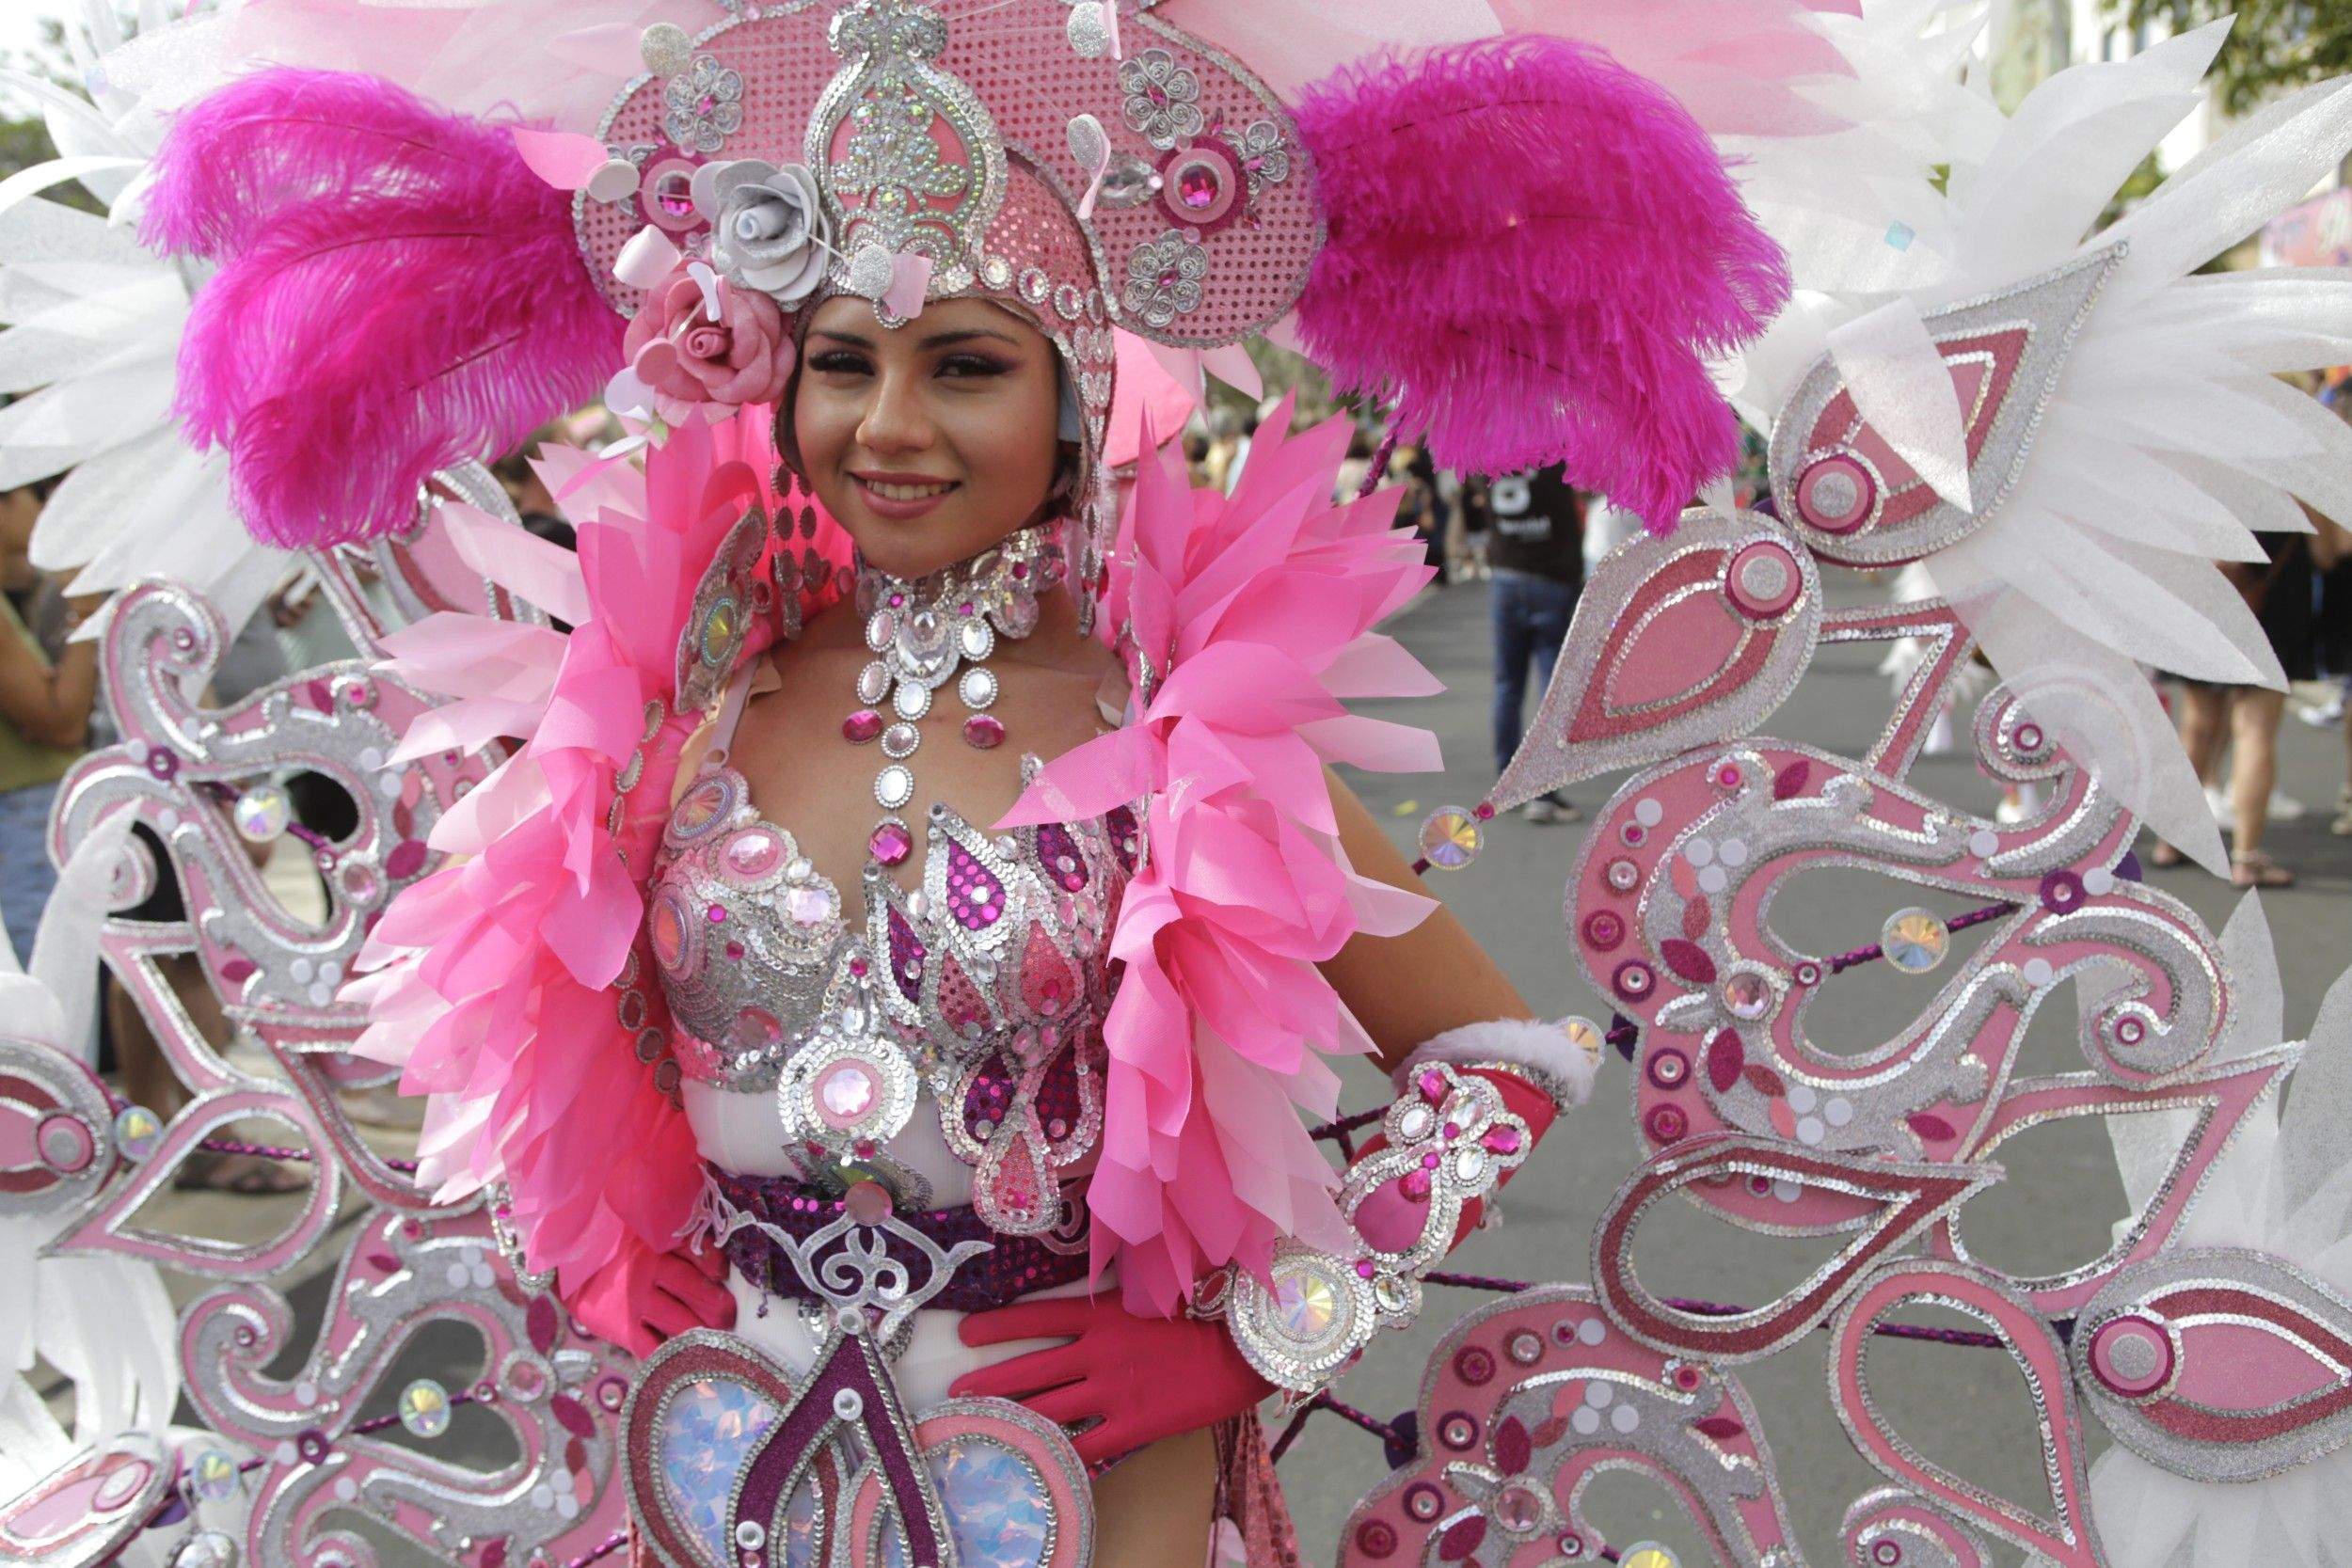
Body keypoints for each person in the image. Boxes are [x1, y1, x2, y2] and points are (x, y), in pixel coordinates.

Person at [151, 6, 1784, 1562]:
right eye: (846, 361)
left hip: (1073, 1484)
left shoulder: (1177, 730)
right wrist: (595, 1254)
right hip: (730, 1460)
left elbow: (1495, 1064)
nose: (892, 425)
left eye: (968, 367)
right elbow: (544, 1027)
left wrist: (1247, 1344)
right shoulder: (673, 710)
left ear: (1074, 406)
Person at [0, 483, 99, 965]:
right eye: (30, 495)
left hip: (25, 810)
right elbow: (60, 723)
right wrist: (89, 608)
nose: (42, 510)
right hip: (23, 812)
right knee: (46, 995)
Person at [1486, 463, 1585, 823]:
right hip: (1552, 581)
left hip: (1506, 579)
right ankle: (1543, 790)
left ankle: (1508, 784)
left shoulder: (1487, 455)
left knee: (1507, 687)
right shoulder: (1556, 456)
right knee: (1551, 689)